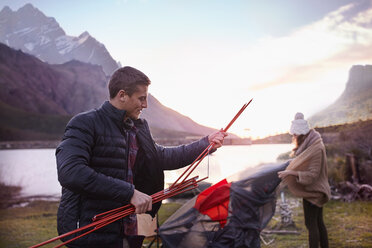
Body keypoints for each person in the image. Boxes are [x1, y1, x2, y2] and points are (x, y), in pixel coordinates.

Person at [56, 66, 227, 248]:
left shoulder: (136, 128)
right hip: (90, 230)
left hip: (128, 229)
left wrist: (205, 144)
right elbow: (71, 172)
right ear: (122, 95)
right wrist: (129, 193)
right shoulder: (85, 123)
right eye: (141, 98)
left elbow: (162, 157)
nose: (145, 105)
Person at [278, 112, 331, 248]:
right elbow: (304, 163)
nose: (294, 136)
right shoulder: (311, 145)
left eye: (295, 134)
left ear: (302, 134)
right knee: (319, 223)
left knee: (312, 225)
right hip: (313, 190)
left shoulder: (316, 148)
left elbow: (312, 175)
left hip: (315, 192)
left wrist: (291, 172)